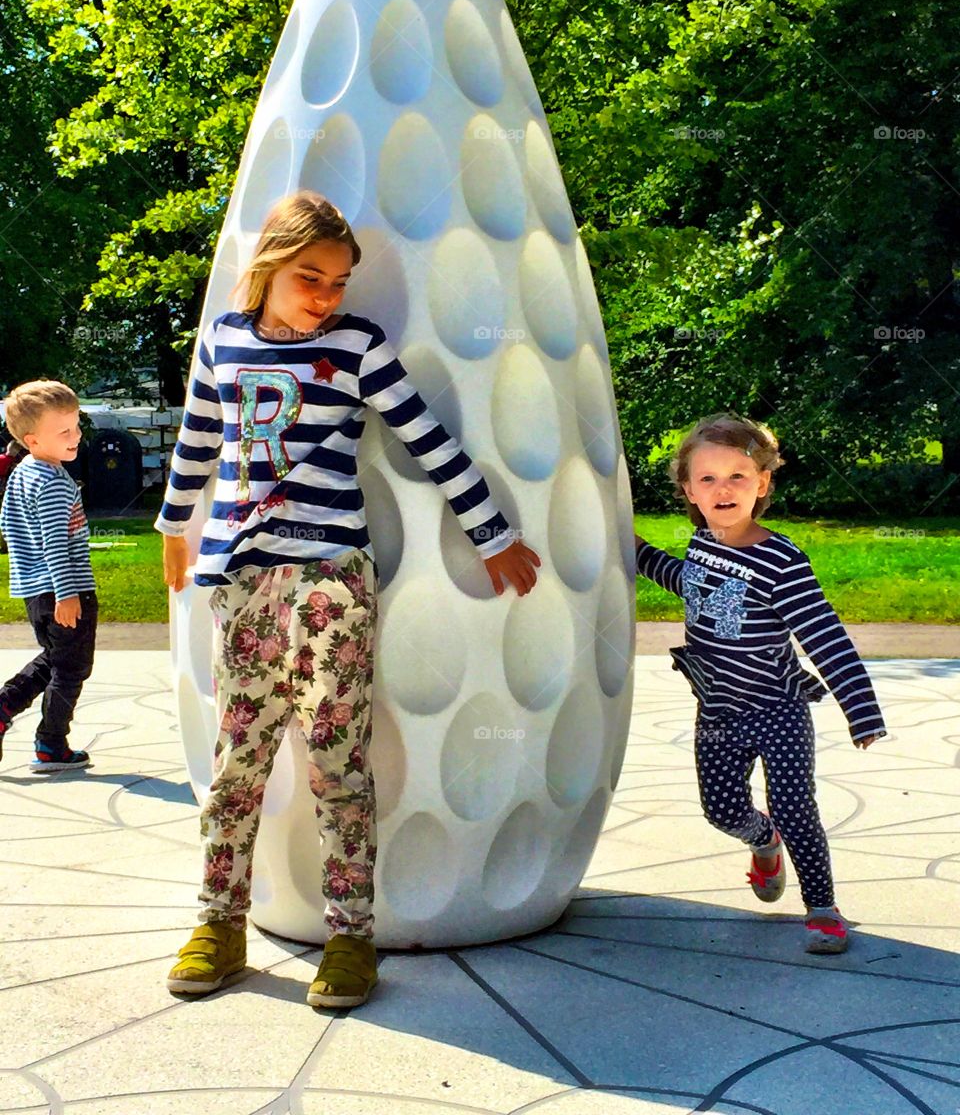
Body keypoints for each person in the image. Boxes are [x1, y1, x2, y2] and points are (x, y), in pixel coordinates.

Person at [157, 191, 541, 1009]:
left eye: (338, 281)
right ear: (267, 265)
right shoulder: (222, 341)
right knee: (240, 760)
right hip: (240, 578)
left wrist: (492, 533)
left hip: (331, 578)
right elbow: (198, 439)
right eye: (311, 277)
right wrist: (172, 527)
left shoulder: (356, 346)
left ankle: (350, 933)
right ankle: (217, 922)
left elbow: (429, 440)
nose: (327, 296)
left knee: (335, 760)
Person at [634, 412, 885, 955]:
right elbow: (692, 585)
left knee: (797, 807)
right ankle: (762, 839)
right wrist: (639, 554)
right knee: (721, 811)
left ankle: (822, 907)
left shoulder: (781, 559)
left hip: (778, 709)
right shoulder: (703, 543)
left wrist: (860, 707)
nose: (723, 489)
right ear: (689, 491)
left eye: (737, 476)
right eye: (708, 479)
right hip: (719, 712)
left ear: (762, 483)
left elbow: (823, 634)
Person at [0, 382, 97, 772]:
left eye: (76, 427)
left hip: (35, 592)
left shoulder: (24, 472)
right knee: (72, 668)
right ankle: (51, 745)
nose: (76, 437)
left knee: (56, 659)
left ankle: (5, 706)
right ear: (33, 439)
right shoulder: (53, 482)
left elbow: (9, 526)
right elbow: (56, 543)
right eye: (65, 432)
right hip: (64, 590)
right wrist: (67, 593)